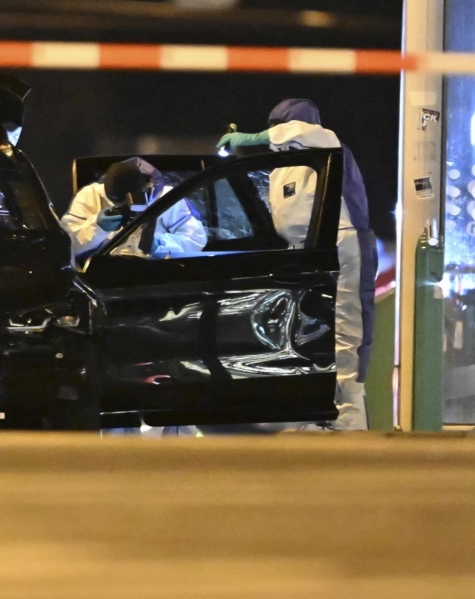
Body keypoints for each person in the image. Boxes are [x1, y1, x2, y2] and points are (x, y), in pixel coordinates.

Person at [218, 99, 376, 431]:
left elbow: (304, 132)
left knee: (347, 331)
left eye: (279, 126)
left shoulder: (327, 144)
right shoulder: (281, 169)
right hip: (304, 255)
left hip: (343, 245)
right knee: (307, 334)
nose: (275, 133)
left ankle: (350, 419)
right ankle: (316, 414)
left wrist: (252, 138)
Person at [61, 157, 206, 265]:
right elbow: (65, 247)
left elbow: (195, 241)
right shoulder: (90, 196)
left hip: (157, 274)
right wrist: (97, 228)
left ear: (148, 188)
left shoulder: (169, 198)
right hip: (103, 276)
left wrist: (158, 245)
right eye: (118, 202)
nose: (125, 206)